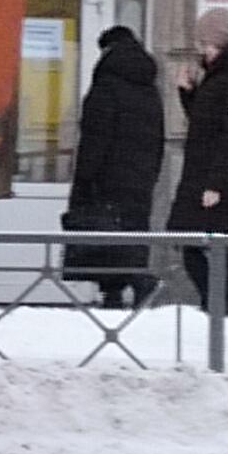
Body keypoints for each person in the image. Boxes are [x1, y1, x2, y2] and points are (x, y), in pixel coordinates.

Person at [164, 9, 228, 315]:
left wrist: (215, 185)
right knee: (193, 242)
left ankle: (223, 311)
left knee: (219, 248)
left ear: (222, 45)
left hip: (221, 183)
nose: (201, 51)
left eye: (206, 44)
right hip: (203, 175)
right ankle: (217, 309)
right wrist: (188, 92)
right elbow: (205, 123)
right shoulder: (220, 77)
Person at [60, 23, 166, 310]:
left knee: (103, 233)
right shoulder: (150, 92)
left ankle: (139, 281)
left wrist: (84, 178)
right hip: (140, 180)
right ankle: (113, 296)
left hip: (106, 178)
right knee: (125, 233)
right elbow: (158, 140)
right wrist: (149, 175)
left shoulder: (105, 88)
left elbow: (95, 139)